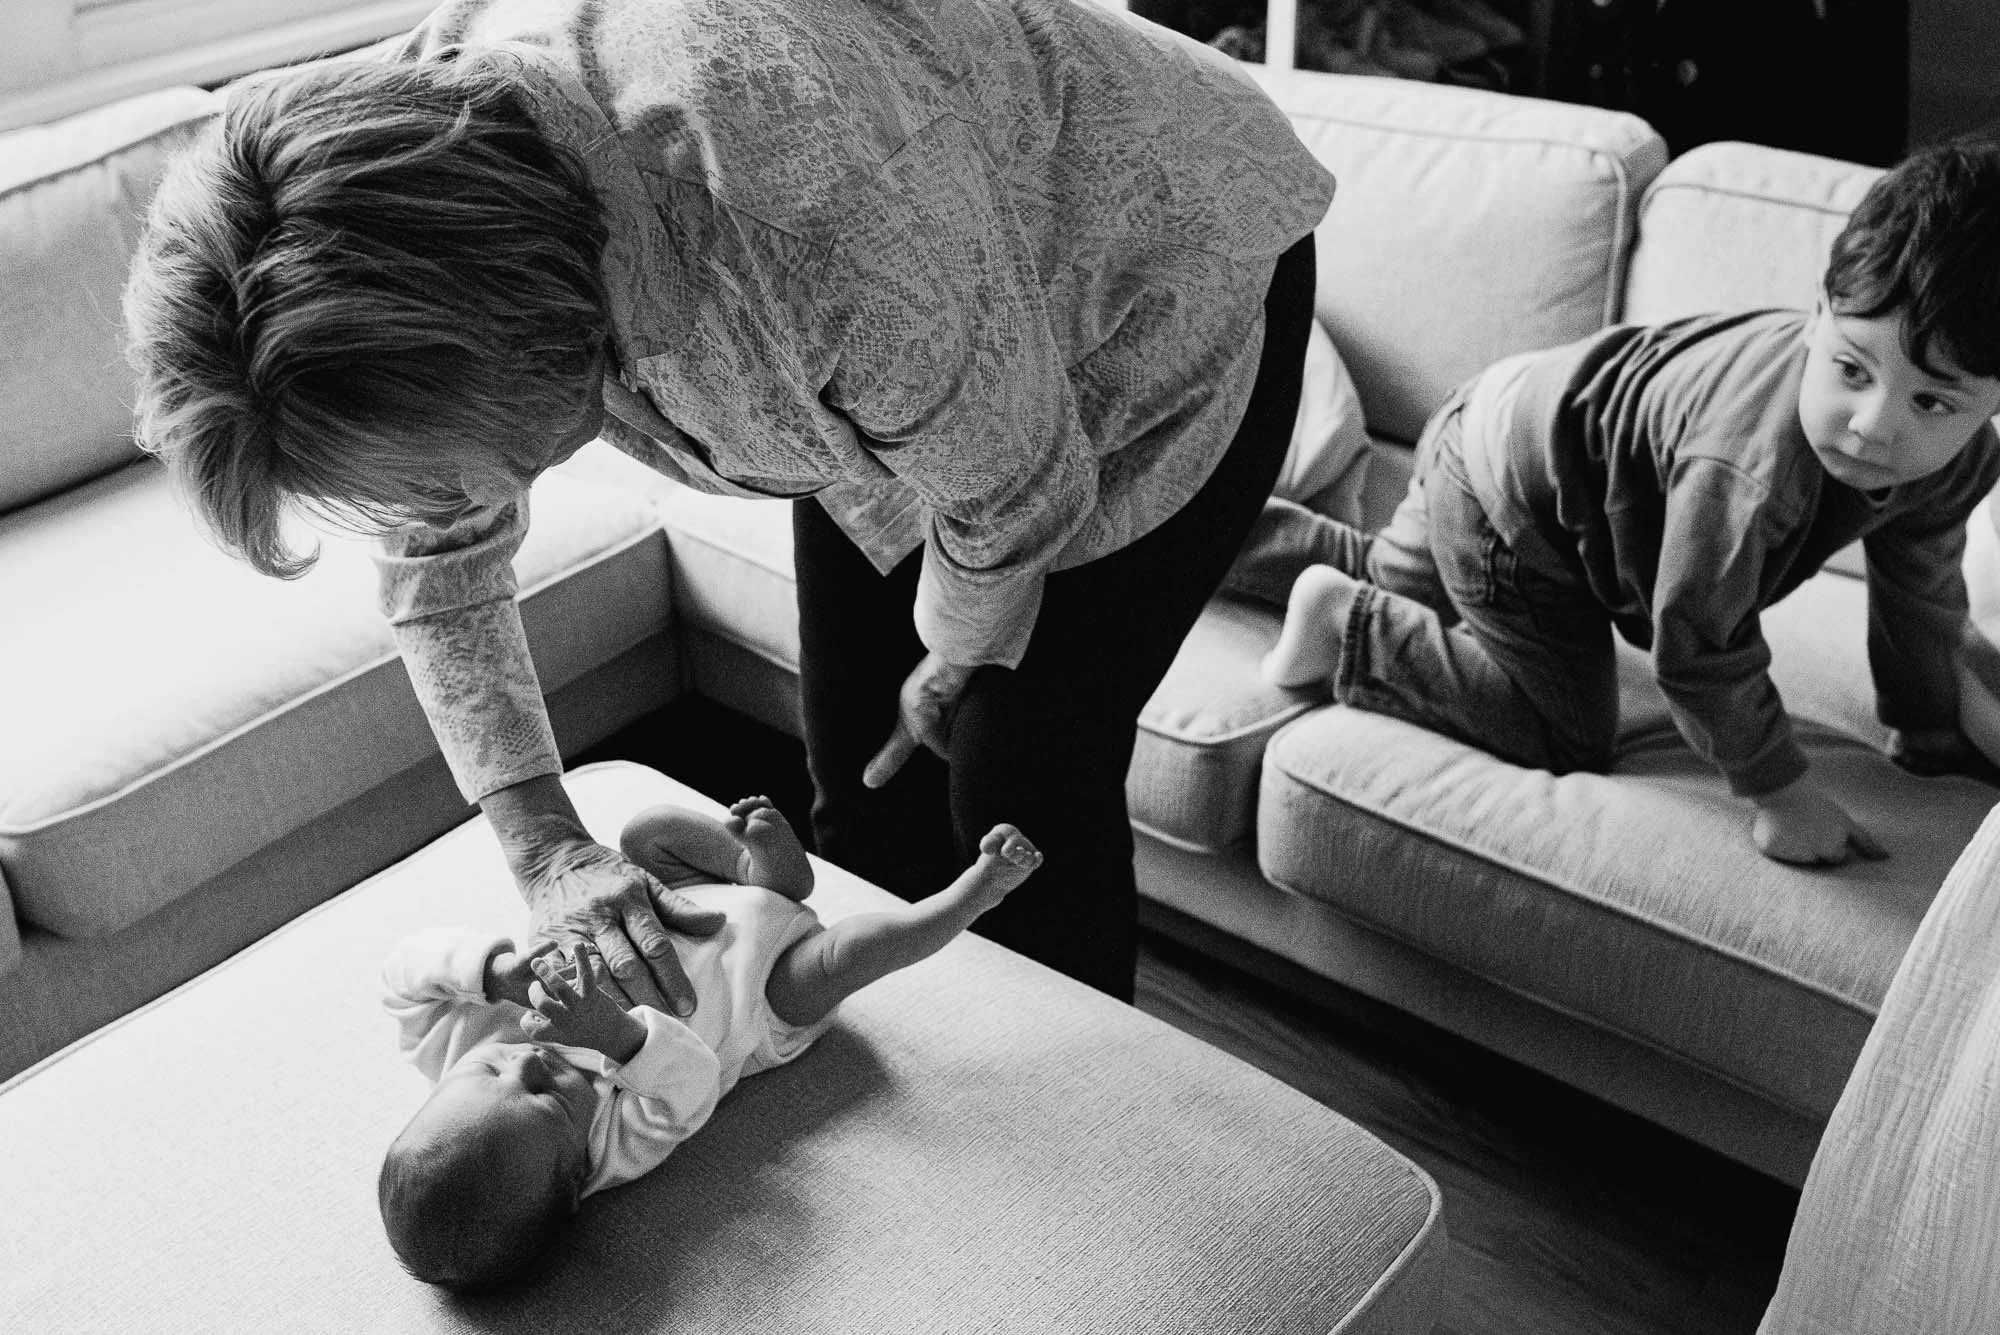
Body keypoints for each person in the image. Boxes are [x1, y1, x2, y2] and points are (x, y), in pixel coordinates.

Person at [121, 0, 1336, 1007]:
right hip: (919, 348)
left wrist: (950, 650)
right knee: (858, 776)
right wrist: (543, 845)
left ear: (532, 329)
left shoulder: (813, 204)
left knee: (1016, 777)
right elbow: (440, 562)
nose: (455, 509)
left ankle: (1092, 1133)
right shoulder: (394, 211)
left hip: (1160, 268)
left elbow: (1016, 487)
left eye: (462, 467)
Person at [1241, 138, 2000, 867]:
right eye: (1851, 369)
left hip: (1500, 419)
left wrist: (1929, 733)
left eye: (1932, 403)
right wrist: (1780, 791)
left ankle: (1218, 529)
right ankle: (1351, 629)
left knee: (1394, 572)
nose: (1874, 426)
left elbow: (1920, 592)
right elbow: (1699, 641)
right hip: (1515, 505)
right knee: (1564, 732)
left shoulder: (1958, 465)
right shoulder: (1748, 468)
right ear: (1818, 313)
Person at [377, 795, 1043, 1290]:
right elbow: (686, 1090)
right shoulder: (612, 1148)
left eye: (491, 1067)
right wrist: (612, 1033)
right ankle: (965, 899)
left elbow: (401, 974)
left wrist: (491, 971)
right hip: (763, 995)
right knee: (850, 953)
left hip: (678, 906)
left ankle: (762, 870)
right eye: (548, 1097)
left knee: (647, 833)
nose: (528, 1060)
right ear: (575, 1180)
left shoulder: (459, 1042)